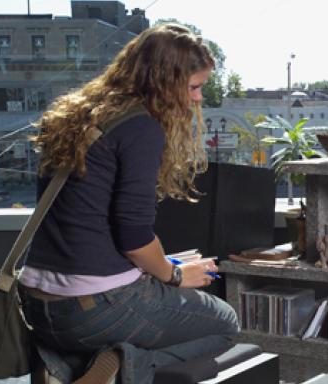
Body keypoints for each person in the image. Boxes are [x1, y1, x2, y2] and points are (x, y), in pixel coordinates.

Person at [19, 23, 238, 384]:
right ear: (164, 82)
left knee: (151, 281)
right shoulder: (140, 127)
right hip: (94, 308)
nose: (198, 98)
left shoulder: (77, 117)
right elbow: (134, 239)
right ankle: (120, 362)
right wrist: (175, 275)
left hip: (39, 307)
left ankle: (61, 365)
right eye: (194, 87)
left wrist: (162, 263)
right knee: (225, 323)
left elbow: (85, 219)